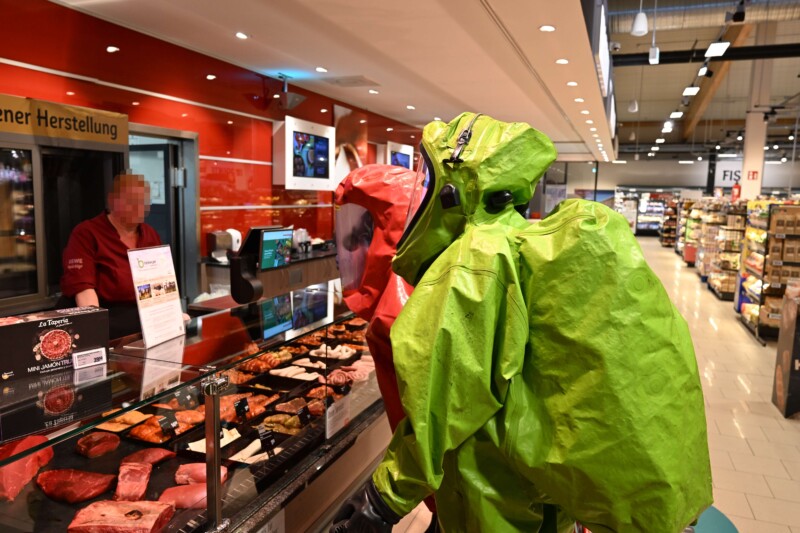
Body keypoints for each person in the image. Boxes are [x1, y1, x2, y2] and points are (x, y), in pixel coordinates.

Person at [331, 113, 712, 532]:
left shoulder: (474, 262)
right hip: (540, 493)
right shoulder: (528, 243)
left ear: (456, 191)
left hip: (491, 495)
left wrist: (381, 500)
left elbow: (438, 410)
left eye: (431, 179)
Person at [60, 174, 161, 339]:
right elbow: (83, 290)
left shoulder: (150, 235)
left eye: (143, 202)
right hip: (106, 320)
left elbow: (161, 284)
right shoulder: (86, 233)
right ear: (112, 201)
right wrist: (95, 332)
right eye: (131, 201)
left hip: (142, 322)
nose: (139, 208)